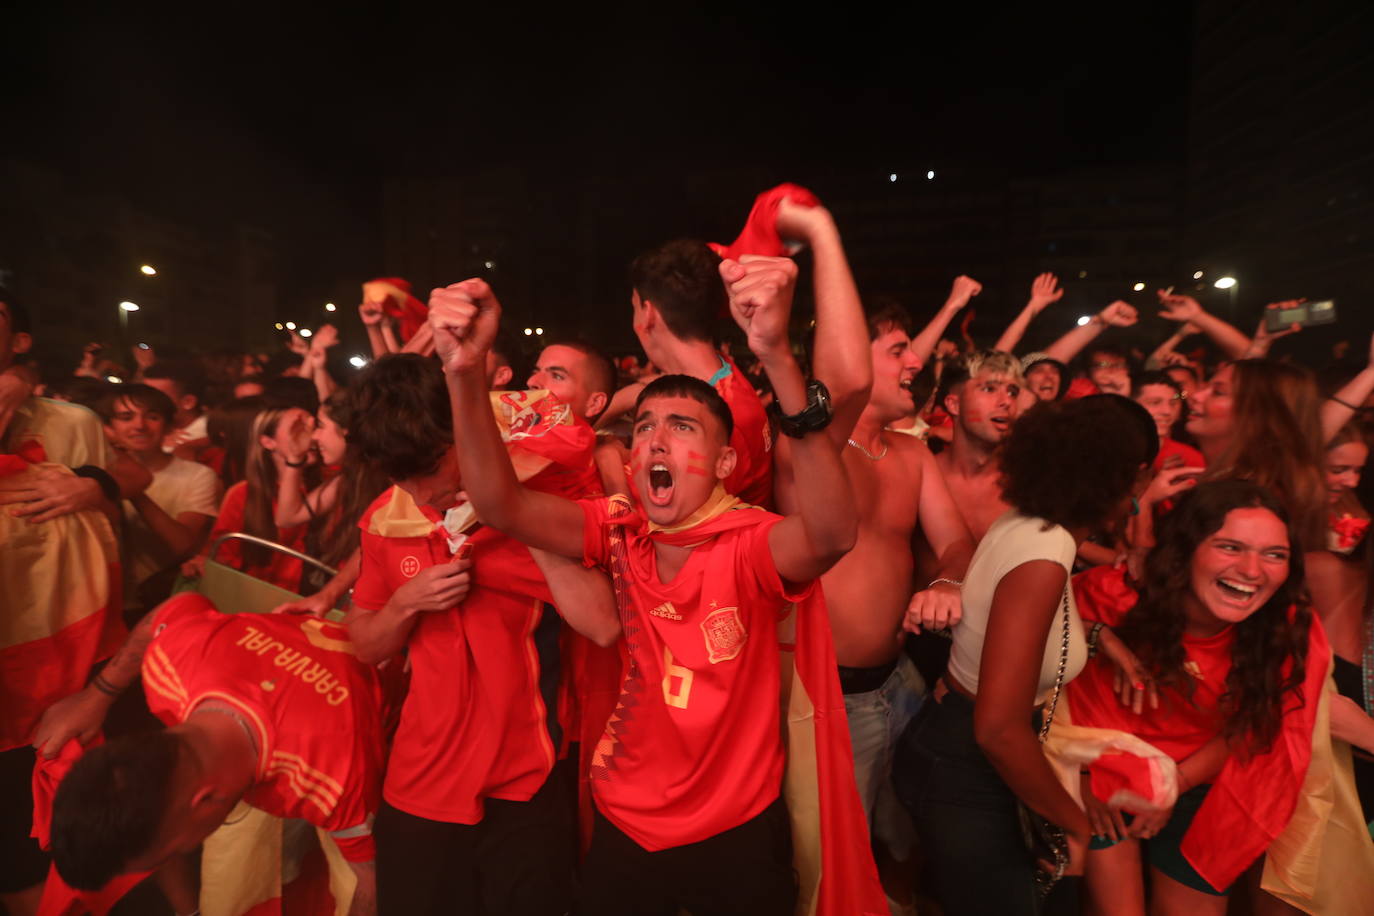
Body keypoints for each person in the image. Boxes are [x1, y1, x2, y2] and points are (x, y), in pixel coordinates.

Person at [430, 251, 862, 914]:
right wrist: (463, 374)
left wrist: (776, 355)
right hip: (628, 824)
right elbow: (501, 506)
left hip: (736, 829)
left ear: (724, 462)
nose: (655, 441)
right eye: (646, 428)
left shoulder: (746, 543)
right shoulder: (619, 529)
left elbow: (831, 534)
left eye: (681, 427)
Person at [344, 353, 619, 916]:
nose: (422, 500)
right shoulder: (386, 519)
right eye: (402, 482)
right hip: (419, 785)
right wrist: (404, 604)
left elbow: (604, 624)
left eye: (433, 477)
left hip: (525, 784)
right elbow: (366, 643)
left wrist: (512, 512)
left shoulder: (542, 499)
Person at [894, 395, 1157, 915]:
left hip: (959, 750)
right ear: (1132, 478)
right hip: (966, 766)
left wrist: (1101, 637)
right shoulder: (1045, 554)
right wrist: (1073, 820)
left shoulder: (1033, 524)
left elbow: (1018, 623)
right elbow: (997, 729)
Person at [1070, 480, 1374, 914]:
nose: (1253, 570)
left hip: (1209, 784)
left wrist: (1177, 782)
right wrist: (1082, 777)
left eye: (1274, 555)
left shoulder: (1286, 628)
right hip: (1098, 776)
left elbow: (1256, 722)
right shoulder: (1109, 596)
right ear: (1185, 550)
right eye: (1230, 547)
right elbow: (1054, 701)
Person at [33, 592, 384, 914]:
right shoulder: (169, 666)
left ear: (204, 800)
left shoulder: (333, 779)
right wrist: (98, 695)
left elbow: (367, 880)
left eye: (175, 851)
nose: (185, 852)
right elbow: (171, 610)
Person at [623, 237, 774, 506]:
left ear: (648, 315)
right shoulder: (718, 372)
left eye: (634, 307)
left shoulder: (722, 417)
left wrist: (610, 460)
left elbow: (677, 525)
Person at [97, 384, 221, 610]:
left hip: (160, 602)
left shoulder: (197, 476)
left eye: (152, 417)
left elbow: (183, 546)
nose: (139, 425)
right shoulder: (95, 475)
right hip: (101, 601)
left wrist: (134, 487)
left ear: (168, 426)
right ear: (108, 428)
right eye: (126, 417)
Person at [931, 350, 1026, 542]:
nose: (1006, 401)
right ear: (954, 405)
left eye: (1012, 392)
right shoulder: (923, 479)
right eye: (990, 389)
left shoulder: (1027, 483)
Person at [143, 359, 211, 459]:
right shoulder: (146, 427)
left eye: (155, 396)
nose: (144, 402)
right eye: (143, 394)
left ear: (188, 402)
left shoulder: (205, 437)